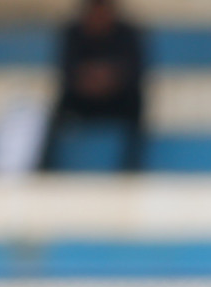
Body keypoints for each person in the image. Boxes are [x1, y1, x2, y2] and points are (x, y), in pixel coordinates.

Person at [39, 0, 147, 172]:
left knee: (137, 104)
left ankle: (132, 168)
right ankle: (45, 168)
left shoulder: (128, 34)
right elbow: (66, 72)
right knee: (51, 114)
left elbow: (133, 72)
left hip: (118, 101)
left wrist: (107, 79)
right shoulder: (73, 33)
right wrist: (94, 79)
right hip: (81, 100)